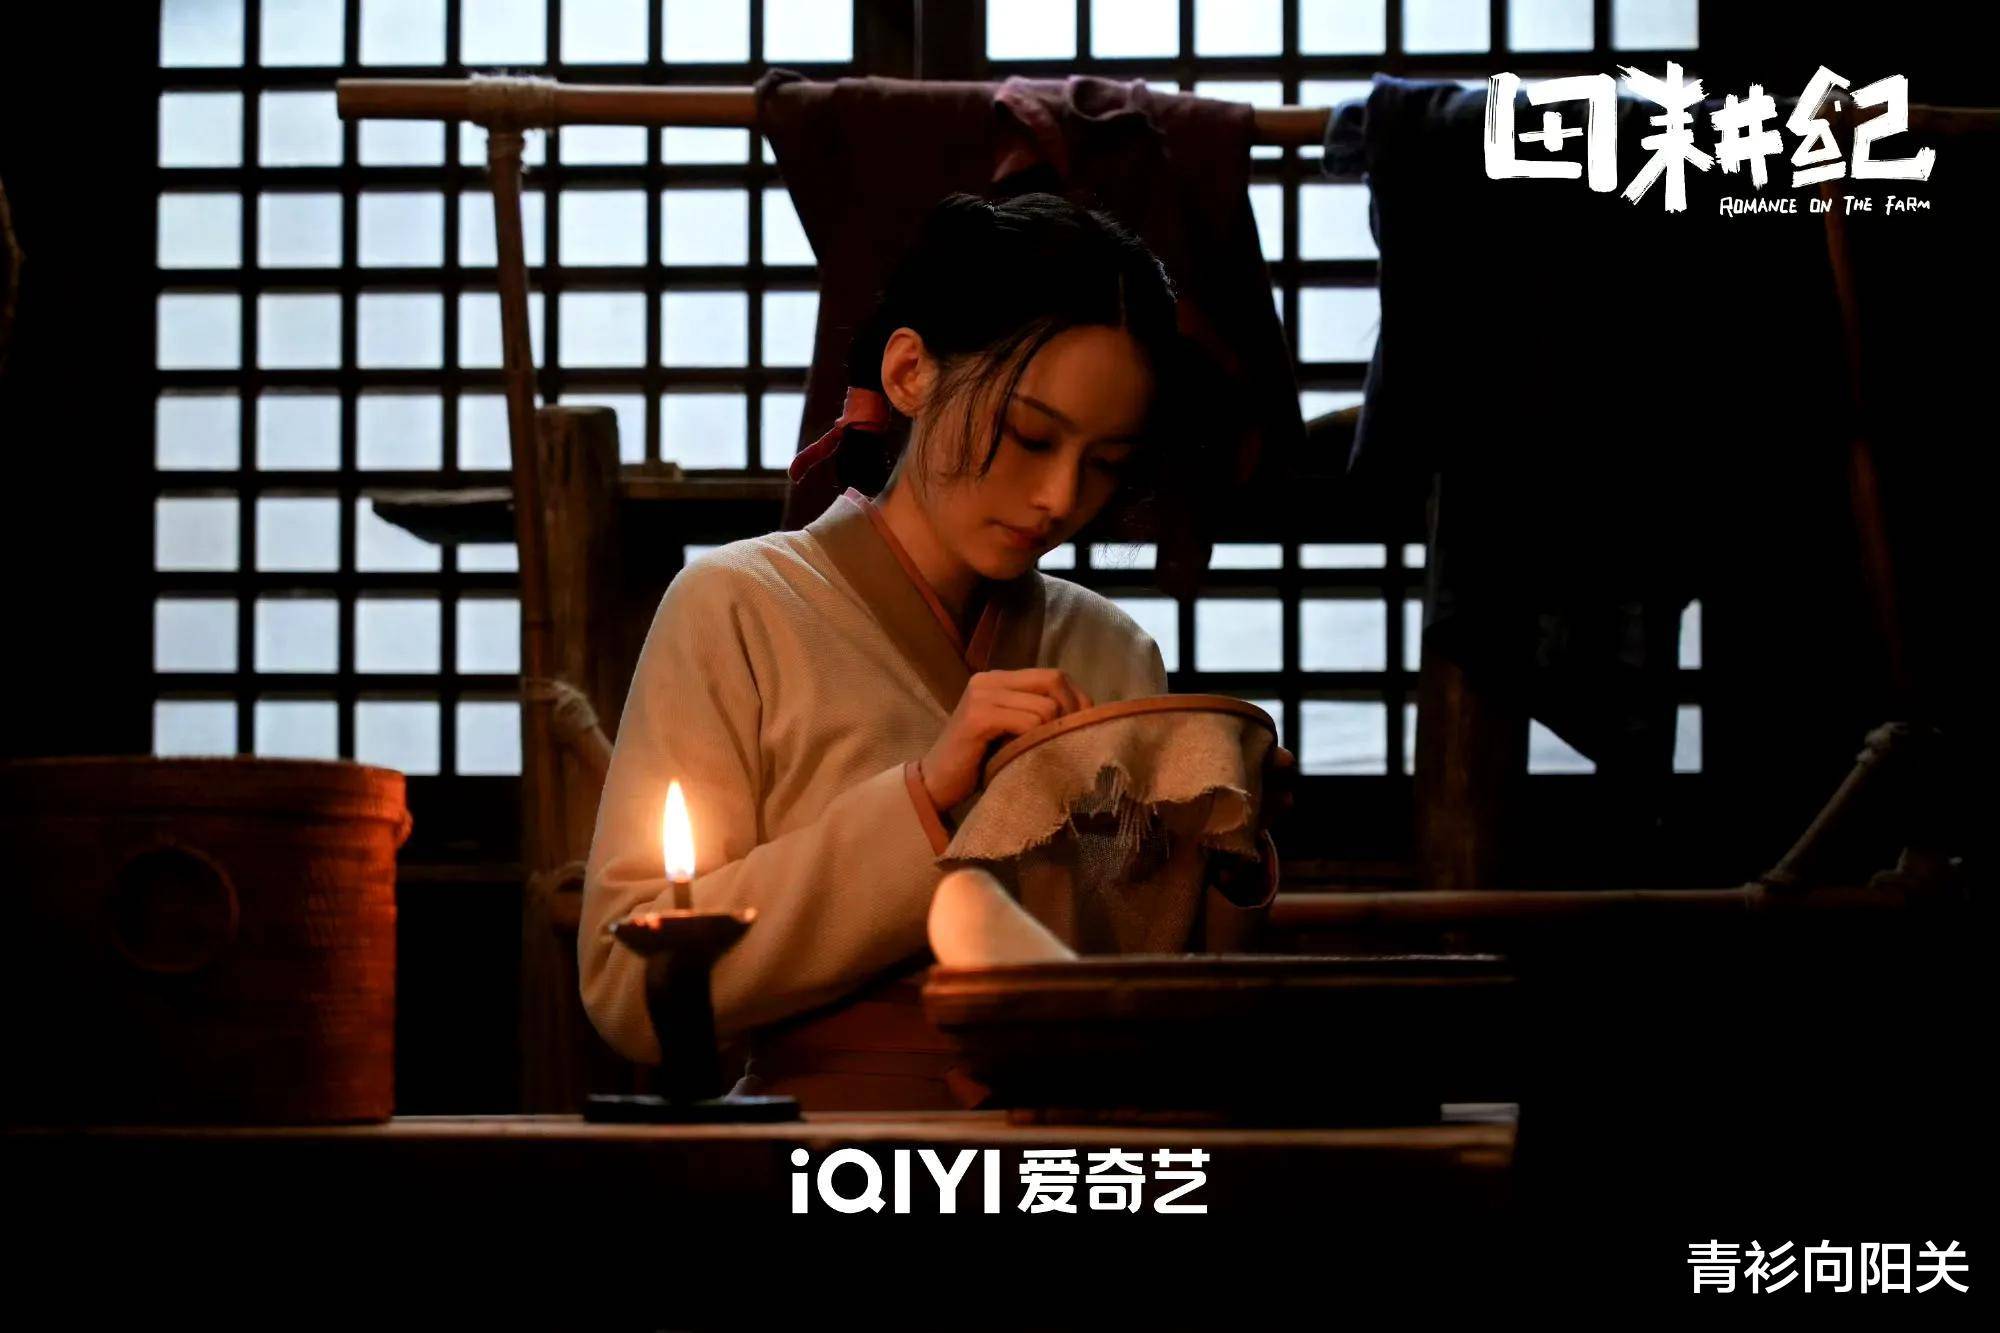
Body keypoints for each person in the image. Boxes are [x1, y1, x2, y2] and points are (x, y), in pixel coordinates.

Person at [579, 191, 1295, 1069]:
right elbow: (627, 986)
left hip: (1074, 1127)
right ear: (911, 371)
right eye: (1030, 436)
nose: (1061, 499)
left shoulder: (1112, 651)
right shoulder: (736, 608)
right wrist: (923, 801)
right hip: (820, 1138)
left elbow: (1151, 982)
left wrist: (1226, 857)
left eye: (1105, 464)